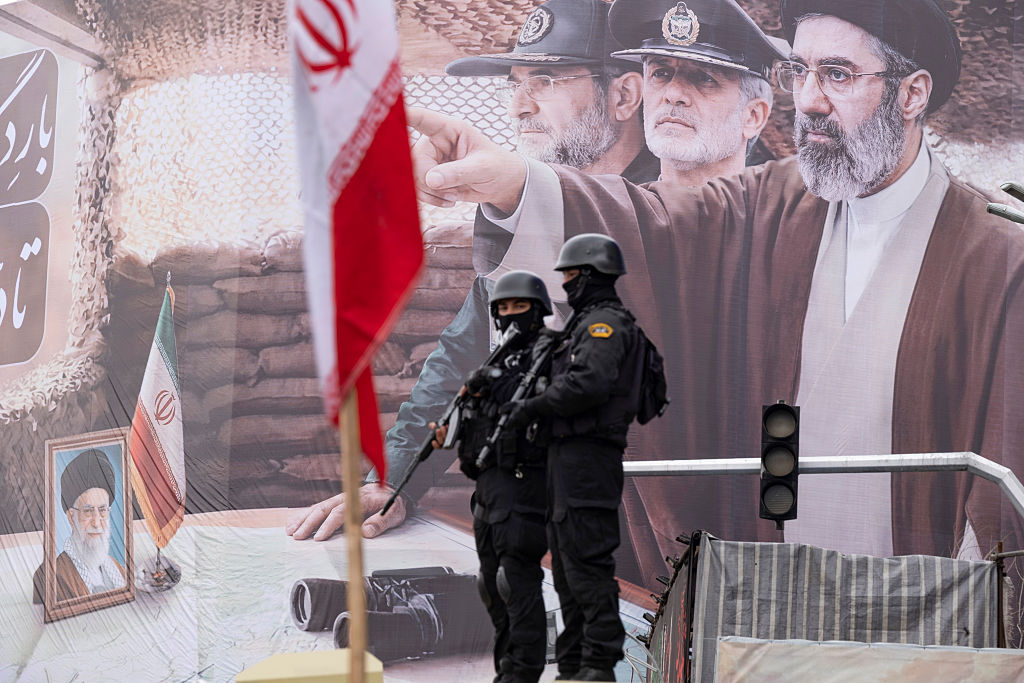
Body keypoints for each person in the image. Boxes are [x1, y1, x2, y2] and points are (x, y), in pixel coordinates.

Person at [405, 0, 1024, 567]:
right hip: (764, 592)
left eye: (837, 74)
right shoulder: (769, 202)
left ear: (912, 93)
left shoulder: (996, 254)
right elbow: (649, 235)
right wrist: (512, 186)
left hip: (920, 613)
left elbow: (1004, 486)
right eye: (799, 73)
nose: (808, 99)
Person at [286, 0, 657, 543]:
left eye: (547, 79)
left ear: (623, 95)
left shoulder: (679, 211)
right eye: (515, 83)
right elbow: (468, 355)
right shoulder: (531, 208)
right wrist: (395, 480)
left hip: (646, 529)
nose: (518, 108)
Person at [501, 234, 648, 681]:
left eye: (569, 275)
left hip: (589, 465)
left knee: (585, 570)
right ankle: (574, 665)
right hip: (567, 465)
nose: (564, 284)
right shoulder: (583, 325)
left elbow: (589, 385)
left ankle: (598, 666)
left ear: (591, 276)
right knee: (565, 571)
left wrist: (531, 405)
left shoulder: (605, 324)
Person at [430, 270, 553, 683]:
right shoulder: (493, 367)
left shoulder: (555, 359)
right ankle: (507, 669)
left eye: (521, 307)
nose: (511, 315)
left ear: (538, 312)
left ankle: (522, 673)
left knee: (514, 582)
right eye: (504, 308)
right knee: (488, 585)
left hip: (527, 489)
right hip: (488, 493)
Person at [33, 449, 126, 603]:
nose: (97, 523)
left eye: (102, 510)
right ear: (71, 517)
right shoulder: (49, 578)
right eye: (88, 511)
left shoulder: (119, 570)